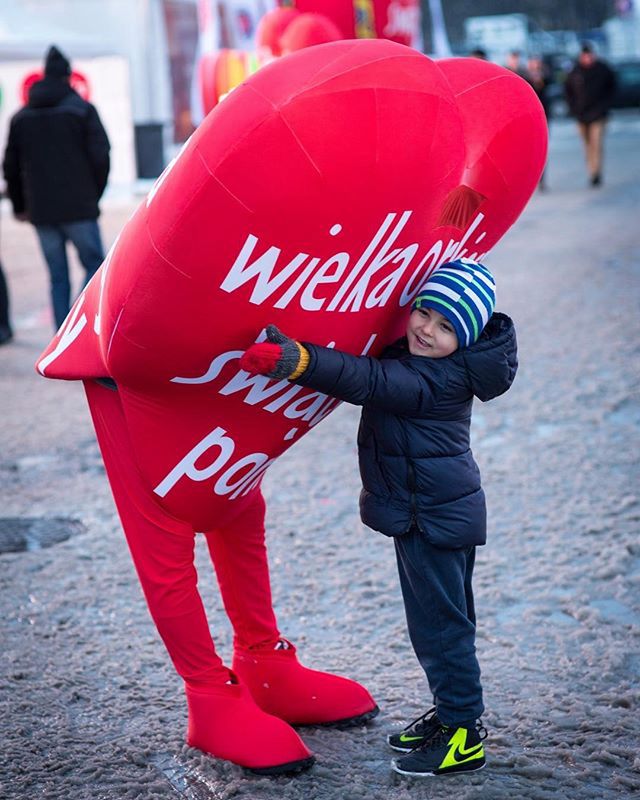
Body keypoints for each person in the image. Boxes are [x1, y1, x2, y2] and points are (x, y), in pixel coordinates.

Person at [240, 258, 518, 777]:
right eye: (425, 312)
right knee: (444, 623)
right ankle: (451, 715)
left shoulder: (431, 380)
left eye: (446, 326)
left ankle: (463, 736)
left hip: (430, 516)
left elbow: (365, 379)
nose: (427, 330)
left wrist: (297, 360)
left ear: (467, 338)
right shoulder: (440, 364)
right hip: (435, 510)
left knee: (441, 630)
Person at [2, 45, 110, 328]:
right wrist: (93, 195)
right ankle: (79, 321)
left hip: (42, 211)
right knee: (95, 267)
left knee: (57, 275)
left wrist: (20, 206)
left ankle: (63, 333)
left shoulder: (20, 117)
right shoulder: (82, 111)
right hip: (80, 207)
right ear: (66, 78)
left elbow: (10, 167)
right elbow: (101, 156)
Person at [564, 43, 616, 187]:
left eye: (589, 55)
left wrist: (605, 107)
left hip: (598, 114)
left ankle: (596, 172)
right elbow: (568, 91)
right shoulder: (575, 71)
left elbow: (611, 88)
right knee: (587, 146)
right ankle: (591, 170)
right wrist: (573, 108)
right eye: (584, 56)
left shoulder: (603, 69)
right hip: (581, 115)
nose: (587, 58)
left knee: (596, 143)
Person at [526, 56, 552, 191]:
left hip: (543, 119)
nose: (534, 66)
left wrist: (539, 78)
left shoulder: (544, 77)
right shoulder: (524, 77)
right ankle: (531, 180)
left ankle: (541, 179)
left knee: (542, 150)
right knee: (527, 153)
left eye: (537, 63)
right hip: (527, 120)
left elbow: (546, 84)